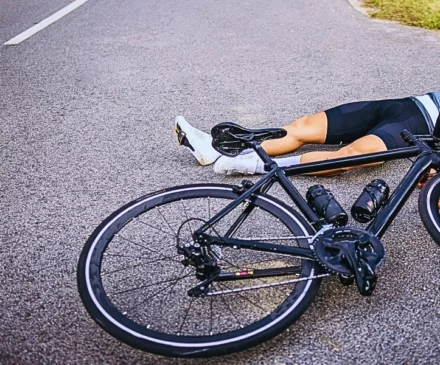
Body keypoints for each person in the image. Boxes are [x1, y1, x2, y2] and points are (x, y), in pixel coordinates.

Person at [175, 91, 440, 176]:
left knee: (352, 156)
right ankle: (215, 149)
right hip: (406, 104)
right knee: (301, 128)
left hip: (419, 127)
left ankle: (250, 165)